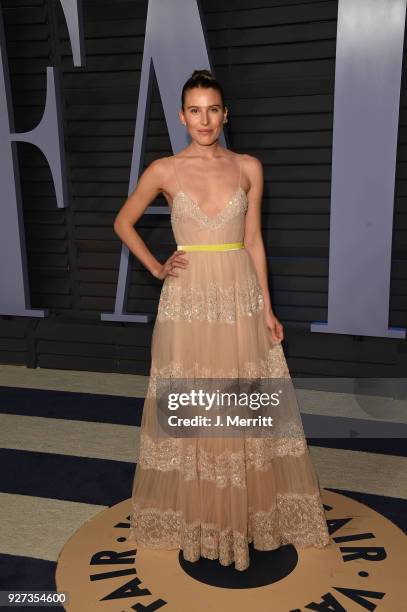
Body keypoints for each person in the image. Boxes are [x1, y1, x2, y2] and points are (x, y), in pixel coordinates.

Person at [113, 69, 331, 571]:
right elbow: (123, 221)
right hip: (188, 302)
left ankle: (249, 513)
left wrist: (268, 308)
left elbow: (253, 241)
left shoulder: (248, 167)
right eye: (195, 110)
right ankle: (202, 513)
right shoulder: (165, 170)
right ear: (182, 115)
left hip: (238, 298)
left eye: (213, 109)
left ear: (225, 114)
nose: (204, 119)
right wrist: (156, 266)